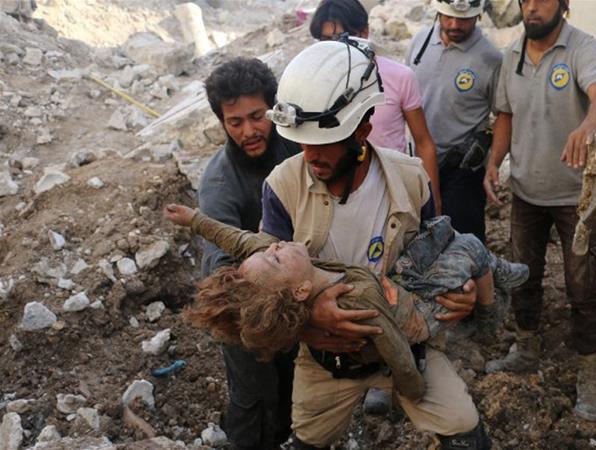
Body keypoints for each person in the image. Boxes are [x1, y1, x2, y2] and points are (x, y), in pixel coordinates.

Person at [257, 37, 491, 449]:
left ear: (363, 128)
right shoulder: (282, 187)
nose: (310, 155)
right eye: (302, 141)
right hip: (327, 355)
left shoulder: (410, 178)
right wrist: (313, 320)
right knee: (307, 441)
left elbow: (437, 252)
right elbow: (265, 292)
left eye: (325, 140)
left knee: (465, 429)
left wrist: (461, 292)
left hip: (405, 342)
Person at [162, 205, 529, 387]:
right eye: (274, 256)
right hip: (421, 311)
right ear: (302, 291)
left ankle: (495, 271)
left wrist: (195, 219)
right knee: (469, 246)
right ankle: (490, 312)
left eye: (268, 250)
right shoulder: (356, 299)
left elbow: (242, 241)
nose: (274, 246)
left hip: (398, 283)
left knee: (437, 234)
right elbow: (394, 346)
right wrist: (411, 387)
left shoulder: (290, 272)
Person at [482, 0, 596, 422]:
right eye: (526, 0)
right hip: (526, 192)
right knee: (523, 275)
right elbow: (505, 115)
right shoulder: (511, 56)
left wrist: (589, 124)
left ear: (565, 4)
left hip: (577, 198)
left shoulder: (581, 49)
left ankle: (589, 373)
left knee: (583, 287)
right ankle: (527, 346)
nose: (533, 8)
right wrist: (494, 162)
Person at [198, 57, 300, 449]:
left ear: (272, 108)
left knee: (297, 385)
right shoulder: (220, 183)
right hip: (242, 309)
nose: (249, 130)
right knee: (255, 397)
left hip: (297, 291)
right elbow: (220, 269)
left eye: (257, 116)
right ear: (221, 122)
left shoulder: (297, 148)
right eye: (235, 122)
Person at [309, 0, 442, 215]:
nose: (335, 48)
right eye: (325, 40)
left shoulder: (400, 77)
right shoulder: (313, 81)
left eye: (342, 38)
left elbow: (423, 142)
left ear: (364, 32)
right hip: (334, 195)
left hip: (391, 194)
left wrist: (433, 204)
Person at [405, 0, 502, 243]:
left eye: (464, 19)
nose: (455, 24)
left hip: (461, 170)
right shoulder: (420, 42)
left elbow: (503, 114)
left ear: (478, 16)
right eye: (448, 17)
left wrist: (490, 147)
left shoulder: (490, 58)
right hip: (416, 165)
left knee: (463, 244)